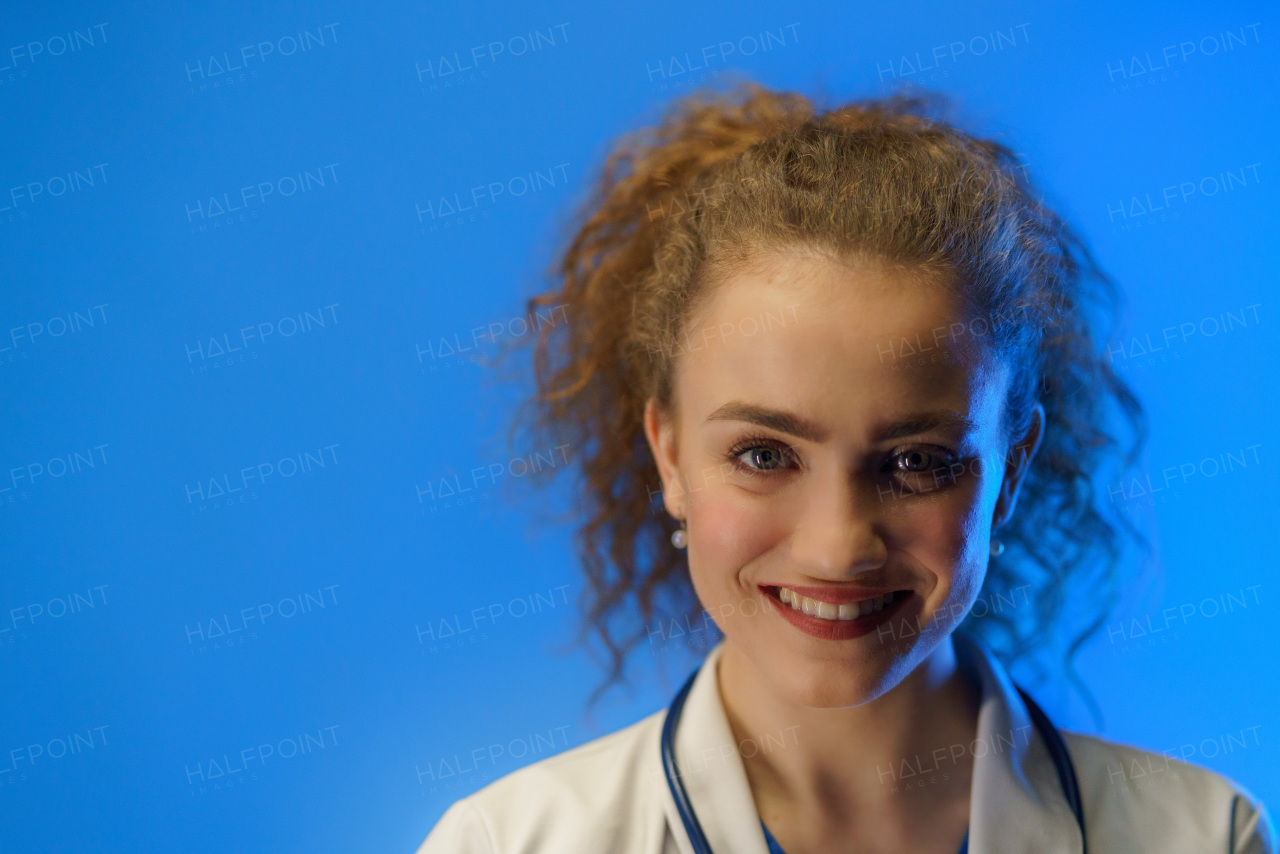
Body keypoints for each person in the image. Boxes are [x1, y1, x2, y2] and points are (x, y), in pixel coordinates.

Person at [413, 81, 1276, 853]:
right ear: (669, 456)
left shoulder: (1200, 835)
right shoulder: (507, 843)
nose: (837, 550)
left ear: (1009, 473)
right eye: (763, 454)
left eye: (915, 462)